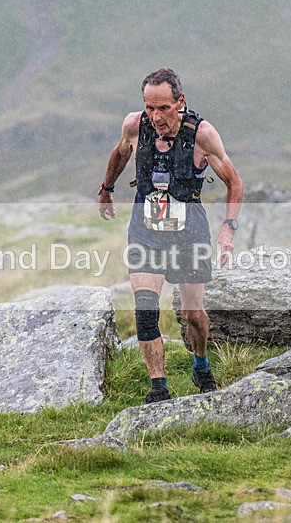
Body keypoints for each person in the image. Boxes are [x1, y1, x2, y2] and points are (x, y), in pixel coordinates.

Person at [97, 68, 243, 404]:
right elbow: (121, 152)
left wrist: (228, 228)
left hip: (189, 232)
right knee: (146, 310)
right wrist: (106, 188)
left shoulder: (202, 135)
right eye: (150, 107)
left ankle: (201, 364)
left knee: (193, 315)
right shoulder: (135, 125)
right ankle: (159, 388)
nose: (156, 116)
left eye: (163, 108)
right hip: (146, 231)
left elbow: (234, 182)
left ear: (180, 101)